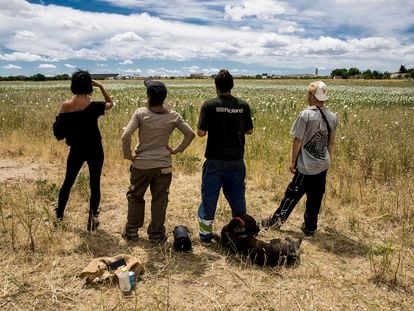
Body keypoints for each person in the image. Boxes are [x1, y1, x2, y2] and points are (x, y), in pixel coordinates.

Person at [121, 79, 195, 242]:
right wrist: (176, 150)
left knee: (135, 196)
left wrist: (128, 155)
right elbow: (190, 134)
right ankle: (156, 234)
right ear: (164, 97)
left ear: (148, 96)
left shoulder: (140, 113)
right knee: (160, 199)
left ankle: (132, 230)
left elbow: (126, 135)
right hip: (163, 165)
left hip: (141, 164)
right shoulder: (173, 116)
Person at [261, 81, 338, 236]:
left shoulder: (306, 115)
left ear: (311, 95)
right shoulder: (332, 116)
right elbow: (331, 142)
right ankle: (310, 227)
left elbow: (297, 140)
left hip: (306, 166)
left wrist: (292, 161)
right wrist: (327, 160)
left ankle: (276, 221)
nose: (307, 96)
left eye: (308, 93)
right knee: (315, 198)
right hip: (322, 164)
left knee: (291, 195)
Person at [197, 69, 254, 245]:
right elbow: (249, 130)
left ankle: (206, 237)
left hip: (215, 161)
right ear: (232, 85)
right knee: (238, 199)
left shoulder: (209, 105)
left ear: (216, 86)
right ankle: (242, 236)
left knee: (209, 199)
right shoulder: (243, 105)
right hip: (236, 160)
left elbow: (201, 133)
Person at [53, 70, 114, 231]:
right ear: (89, 86)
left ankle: (59, 216)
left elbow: (58, 128)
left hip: (76, 149)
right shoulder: (94, 106)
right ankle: (92, 220)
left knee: (68, 182)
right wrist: (100, 85)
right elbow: (110, 104)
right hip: (95, 147)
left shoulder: (66, 106)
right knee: (95, 183)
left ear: (73, 85)